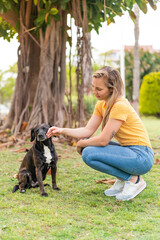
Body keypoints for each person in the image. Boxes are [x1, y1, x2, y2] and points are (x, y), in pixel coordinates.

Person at [47, 66, 154, 201]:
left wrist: (82, 143)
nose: (94, 92)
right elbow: (87, 130)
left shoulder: (119, 105)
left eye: (99, 89)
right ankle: (123, 180)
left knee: (88, 153)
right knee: (88, 149)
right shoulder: (101, 104)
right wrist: (61, 130)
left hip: (141, 157)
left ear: (111, 89)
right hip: (129, 151)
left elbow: (103, 140)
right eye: (93, 87)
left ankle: (133, 180)